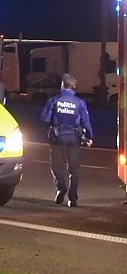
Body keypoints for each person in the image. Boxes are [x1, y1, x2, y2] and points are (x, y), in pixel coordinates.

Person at [40, 73, 93, 207]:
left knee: (57, 166)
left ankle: (61, 188)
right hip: (74, 138)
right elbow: (86, 122)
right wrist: (89, 137)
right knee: (74, 169)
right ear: (74, 87)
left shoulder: (54, 100)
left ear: (63, 85)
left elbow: (44, 118)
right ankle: (72, 198)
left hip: (57, 137)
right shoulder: (80, 102)